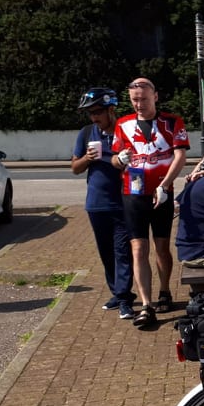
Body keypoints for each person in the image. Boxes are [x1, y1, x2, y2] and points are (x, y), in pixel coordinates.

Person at [111, 77, 189, 328]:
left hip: (161, 194)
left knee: (162, 248)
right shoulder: (123, 124)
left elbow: (180, 156)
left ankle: (165, 289)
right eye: (134, 100)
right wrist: (119, 160)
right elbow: (114, 160)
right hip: (133, 194)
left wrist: (164, 185)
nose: (139, 104)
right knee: (138, 249)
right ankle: (146, 305)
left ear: (155, 96)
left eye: (144, 99)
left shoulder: (171, 122)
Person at [71, 87, 135, 320]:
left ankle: (125, 297)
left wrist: (121, 160)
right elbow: (74, 168)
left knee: (123, 251)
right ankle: (117, 294)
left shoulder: (125, 131)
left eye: (97, 112)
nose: (93, 117)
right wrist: (87, 159)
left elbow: (139, 161)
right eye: (90, 113)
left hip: (122, 202)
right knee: (106, 252)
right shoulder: (87, 133)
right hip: (96, 204)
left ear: (111, 109)